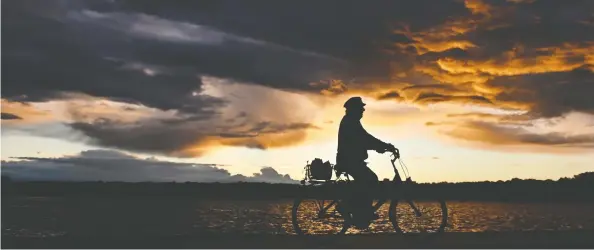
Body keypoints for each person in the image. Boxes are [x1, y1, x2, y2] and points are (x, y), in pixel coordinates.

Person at [336, 96, 396, 227]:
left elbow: (365, 139)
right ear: (354, 109)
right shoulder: (350, 122)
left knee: (366, 182)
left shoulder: (351, 121)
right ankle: (349, 207)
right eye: (361, 108)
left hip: (351, 160)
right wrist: (383, 146)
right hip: (349, 161)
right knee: (371, 179)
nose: (363, 110)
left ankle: (361, 212)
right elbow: (363, 139)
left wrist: (381, 146)